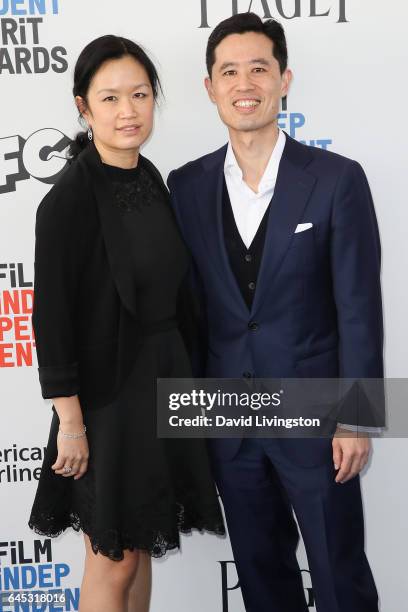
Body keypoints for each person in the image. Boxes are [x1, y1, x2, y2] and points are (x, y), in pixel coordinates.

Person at [168, 13, 383, 612]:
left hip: (318, 420)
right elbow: (187, 311)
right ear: (209, 87)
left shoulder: (338, 180)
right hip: (228, 421)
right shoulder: (185, 186)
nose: (245, 83)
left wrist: (358, 419)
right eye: (228, 71)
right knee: (262, 580)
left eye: (259, 68)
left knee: (340, 576)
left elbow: (360, 308)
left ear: (284, 79)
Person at [28, 35, 225, 612]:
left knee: (137, 550)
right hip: (107, 398)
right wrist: (70, 422)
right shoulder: (68, 200)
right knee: (112, 559)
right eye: (110, 98)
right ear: (83, 107)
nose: (128, 111)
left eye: (140, 95)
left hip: (163, 381)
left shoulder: (149, 178)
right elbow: (52, 317)